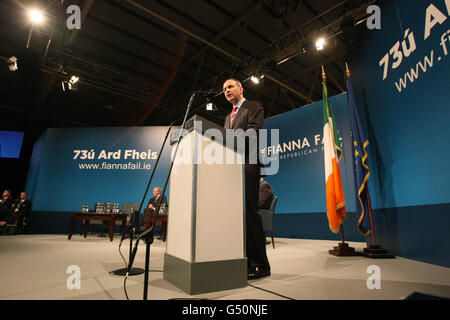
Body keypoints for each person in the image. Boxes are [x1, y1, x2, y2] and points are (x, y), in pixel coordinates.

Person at [223, 78, 271, 280]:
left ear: (241, 88)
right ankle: (247, 261)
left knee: (250, 214)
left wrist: (230, 143)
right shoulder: (227, 117)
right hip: (232, 170)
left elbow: (253, 131)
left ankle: (261, 264)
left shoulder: (253, 106)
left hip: (248, 166)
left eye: (230, 86)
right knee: (239, 216)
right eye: (224, 89)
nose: (227, 90)